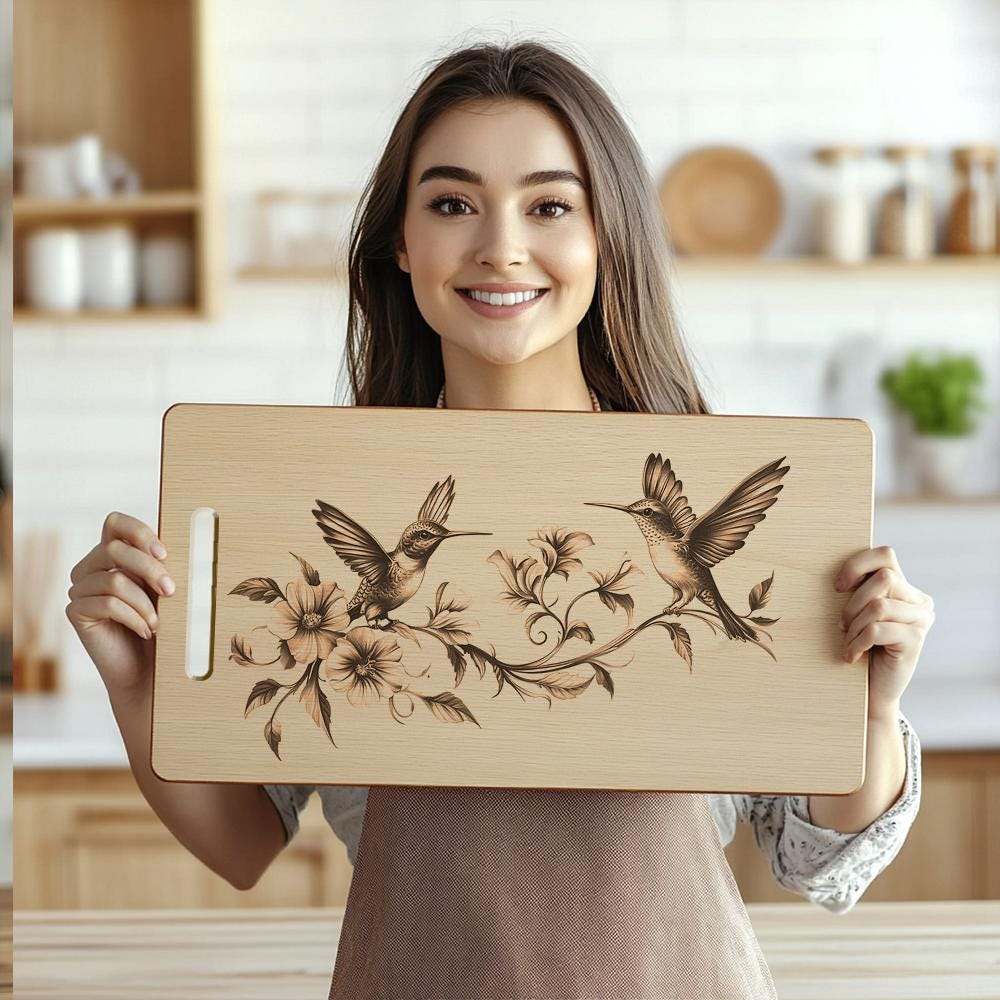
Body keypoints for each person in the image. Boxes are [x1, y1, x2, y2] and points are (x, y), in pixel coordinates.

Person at [66, 38, 933, 999]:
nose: (500, 245)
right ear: (401, 240)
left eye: (550, 206)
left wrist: (873, 710)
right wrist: (137, 687)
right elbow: (243, 842)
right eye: (452, 203)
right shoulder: (321, 501)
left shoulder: (729, 483)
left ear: (610, 237)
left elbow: (819, 860)